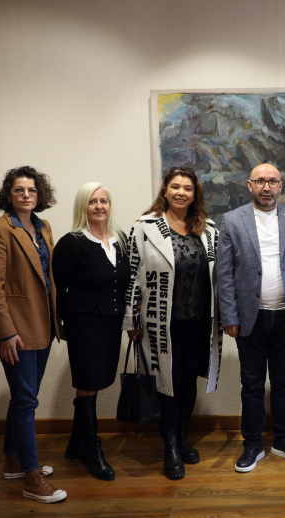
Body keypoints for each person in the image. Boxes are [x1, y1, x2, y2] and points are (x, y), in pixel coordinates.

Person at [217, 163, 285, 473]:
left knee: (284, 383)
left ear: (281, 186)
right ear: (249, 185)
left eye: (273, 181)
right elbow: (224, 274)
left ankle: (284, 440)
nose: (267, 187)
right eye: (261, 181)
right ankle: (252, 444)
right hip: (250, 317)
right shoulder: (232, 220)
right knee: (251, 385)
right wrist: (229, 316)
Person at [123, 167, 221, 480]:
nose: (181, 192)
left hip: (198, 322)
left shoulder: (209, 230)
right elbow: (132, 275)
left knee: (189, 381)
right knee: (167, 383)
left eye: (187, 188)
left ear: (195, 194)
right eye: (175, 186)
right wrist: (131, 319)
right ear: (165, 191)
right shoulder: (144, 227)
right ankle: (171, 447)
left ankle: (182, 437)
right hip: (161, 323)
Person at [0, 166, 67, 503]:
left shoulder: (44, 227)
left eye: (31, 190)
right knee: (27, 400)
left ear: (39, 194)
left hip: (43, 325)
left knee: (22, 397)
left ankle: (13, 461)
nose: (26, 195)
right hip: (16, 331)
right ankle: (31, 478)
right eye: (19, 190)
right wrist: (5, 333)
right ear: (9, 194)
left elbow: (48, 276)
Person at [53, 182, 131, 481]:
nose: (99, 206)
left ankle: (76, 443)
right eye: (92, 202)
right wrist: (60, 324)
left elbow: (127, 282)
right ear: (82, 207)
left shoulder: (121, 239)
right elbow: (57, 289)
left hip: (112, 323)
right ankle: (92, 450)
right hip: (83, 324)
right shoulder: (71, 243)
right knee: (87, 384)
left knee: (97, 382)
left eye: (103, 201)